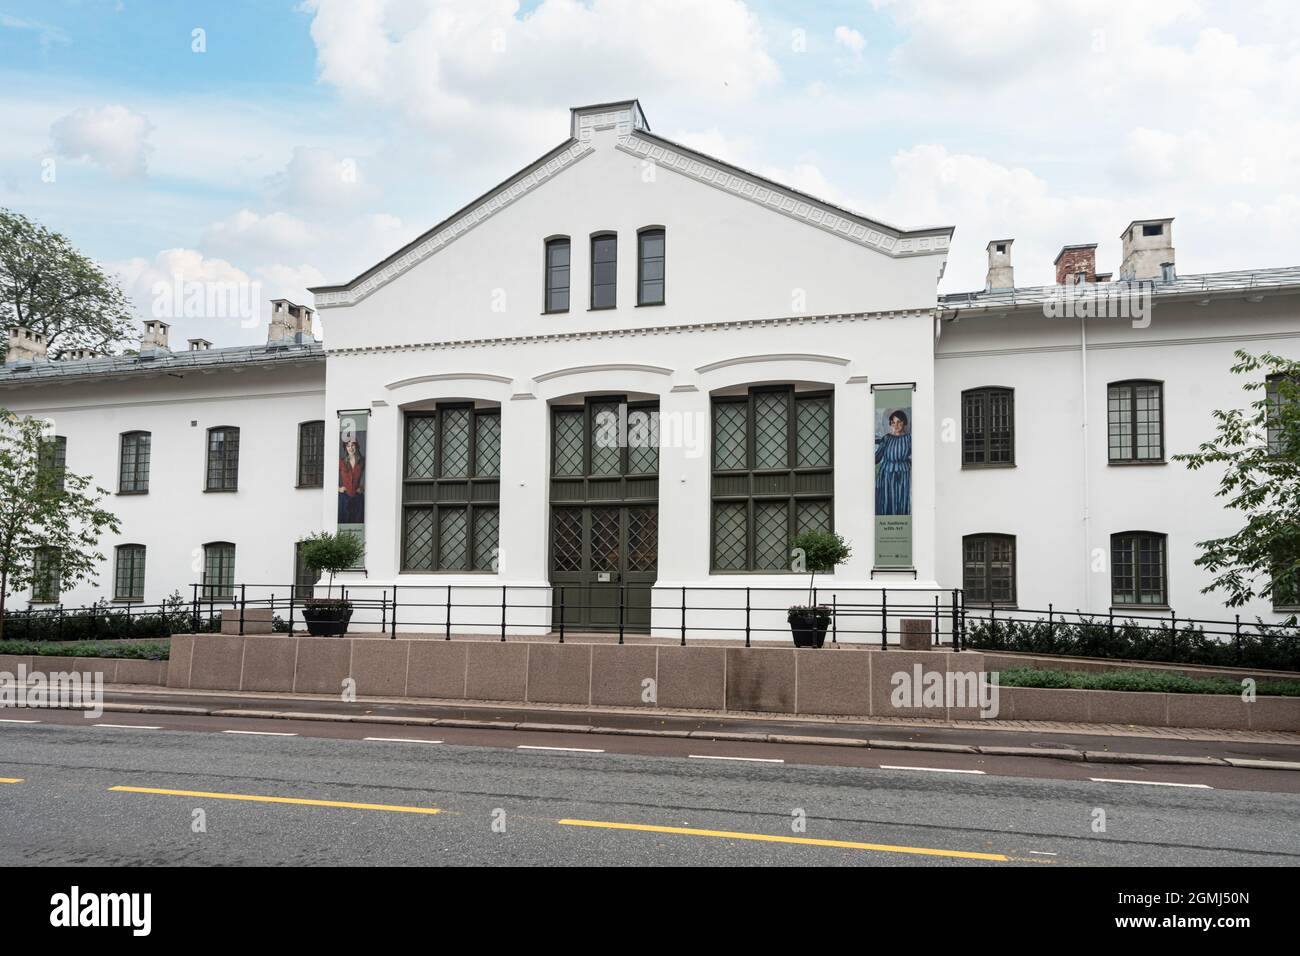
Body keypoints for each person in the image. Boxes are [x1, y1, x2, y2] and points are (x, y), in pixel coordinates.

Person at [874, 409, 911, 516]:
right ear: (890, 424)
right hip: (886, 475)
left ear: (904, 423)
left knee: (901, 501)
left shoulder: (909, 439)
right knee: (886, 502)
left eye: (899, 422)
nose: (896, 425)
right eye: (893, 422)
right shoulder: (886, 438)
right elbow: (877, 458)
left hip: (903, 475)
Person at [338, 438, 364, 524]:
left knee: (358, 522)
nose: (350, 448)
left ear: (356, 446)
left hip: (358, 497)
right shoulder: (341, 462)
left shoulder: (362, 461)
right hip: (344, 497)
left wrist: (363, 487)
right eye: (348, 446)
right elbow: (330, 476)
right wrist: (338, 488)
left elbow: (369, 475)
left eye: (352, 445)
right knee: (344, 521)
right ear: (345, 448)